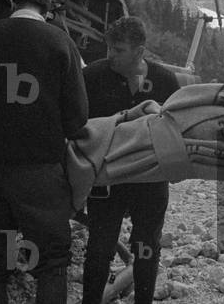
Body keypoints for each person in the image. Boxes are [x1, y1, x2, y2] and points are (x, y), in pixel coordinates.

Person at [0, 0, 88, 304]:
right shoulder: (61, 42)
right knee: (50, 264)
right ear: (47, 12)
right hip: (41, 174)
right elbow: (77, 119)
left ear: (12, 4)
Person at [81, 16, 180, 304]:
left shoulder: (164, 80)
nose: (110, 55)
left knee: (147, 246)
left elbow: (176, 130)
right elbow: (80, 126)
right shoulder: (93, 77)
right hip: (106, 179)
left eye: (118, 50)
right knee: (99, 247)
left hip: (150, 180)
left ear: (139, 51)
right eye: (109, 48)